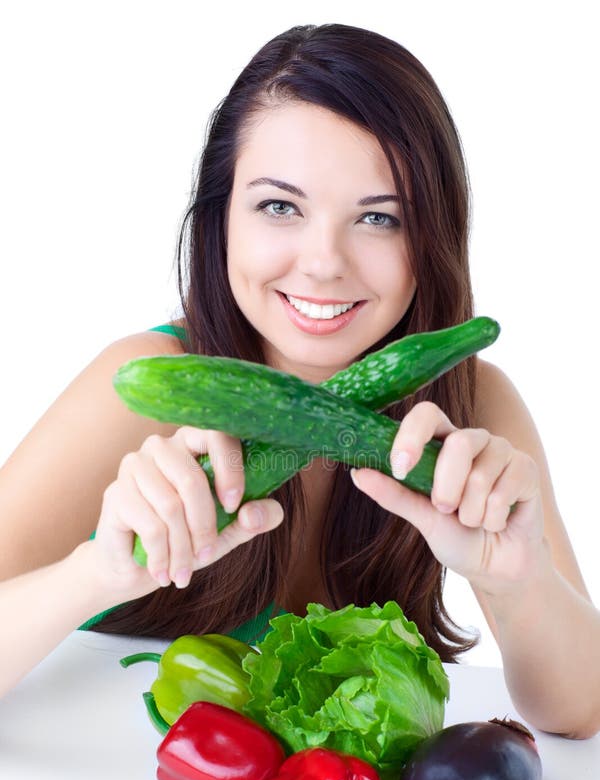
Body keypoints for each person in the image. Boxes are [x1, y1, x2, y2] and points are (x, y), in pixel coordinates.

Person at [0, 23, 598, 738]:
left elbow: (581, 712)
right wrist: (96, 572)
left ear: (432, 238)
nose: (323, 262)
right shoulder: (149, 385)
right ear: (222, 218)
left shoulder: (474, 406)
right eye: (280, 206)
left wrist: (518, 580)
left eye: (378, 218)